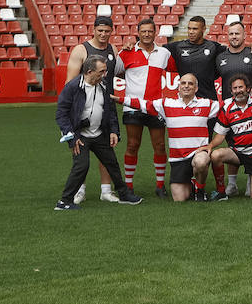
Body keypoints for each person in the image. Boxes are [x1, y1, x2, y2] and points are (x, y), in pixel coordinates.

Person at [54, 54, 139, 209]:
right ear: (89, 72)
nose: (104, 74)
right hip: (80, 136)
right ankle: (64, 201)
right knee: (81, 166)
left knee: (112, 164)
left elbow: (110, 109)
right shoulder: (73, 87)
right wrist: (71, 137)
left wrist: (114, 131)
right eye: (101, 71)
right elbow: (61, 114)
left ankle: (124, 194)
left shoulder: (104, 85)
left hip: (100, 134)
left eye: (105, 71)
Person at [123, 73, 221, 203]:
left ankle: (200, 189)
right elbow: (143, 104)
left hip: (198, 153)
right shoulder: (167, 104)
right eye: (183, 83)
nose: (186, 86)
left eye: (190, 84)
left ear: (196, 88)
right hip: (178, 158)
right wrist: (117, 98)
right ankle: (191, 182)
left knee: (201, 162)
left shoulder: (206, 104)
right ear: (178, 87)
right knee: (179, 199)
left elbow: (227, 105)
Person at [163, 14, 228, 192]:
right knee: (188, 144)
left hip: (209, 106)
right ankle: (191, 181)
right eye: (189, 28)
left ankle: (220, 188)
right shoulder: (177, 46)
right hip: (187, 105)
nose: (191, 32)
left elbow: (234, 50)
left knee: (209, 147)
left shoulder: (213, 47)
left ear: (203, 29)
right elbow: (153, 49)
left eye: (195, 29)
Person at [64, 14, 120, 203]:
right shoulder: (81, 50)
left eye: (107, 31)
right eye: (100, 30)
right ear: (93, 30)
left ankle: (106, 190)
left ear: (112, 31)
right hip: (83, 109)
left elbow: (118, 71)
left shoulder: (113, 49)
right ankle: (79, 190)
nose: (103, 34)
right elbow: (70, 83)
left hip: (105, 108)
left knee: (107, 151)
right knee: (80, 150)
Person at [117, 16, 172, 199]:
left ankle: (159, 185)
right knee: (132, 145)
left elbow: (175, 70)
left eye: (150, 31)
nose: (147, 34)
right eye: (143, 31)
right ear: (138, 33)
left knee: (160, 145)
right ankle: (129, 185)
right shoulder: (125, 53)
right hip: (132, 107)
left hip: (155, 107)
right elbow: (114, 71)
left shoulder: (163, 53)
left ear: (155, 33)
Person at [209, 75, 252, 200]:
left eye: (241, 87)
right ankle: (221, 191)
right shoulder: (227, 108)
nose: (238, 90)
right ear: (231, 92)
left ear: (248, 88)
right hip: (238, 153)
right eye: (235, 88)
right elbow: (220, 136)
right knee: (215, 155)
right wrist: (209, 146)